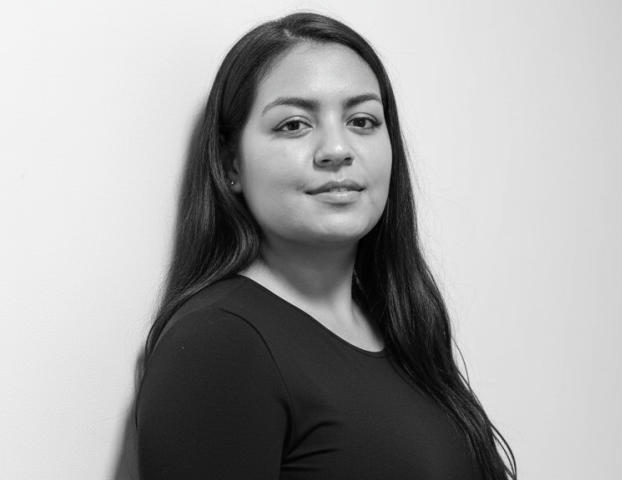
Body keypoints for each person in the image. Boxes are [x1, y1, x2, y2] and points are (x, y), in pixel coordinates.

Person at [135, 11, 516, 480]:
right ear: (231, 164)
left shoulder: (400, 322)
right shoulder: (219, 344)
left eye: (362, 120)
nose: (337, 150)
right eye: (294, 124)